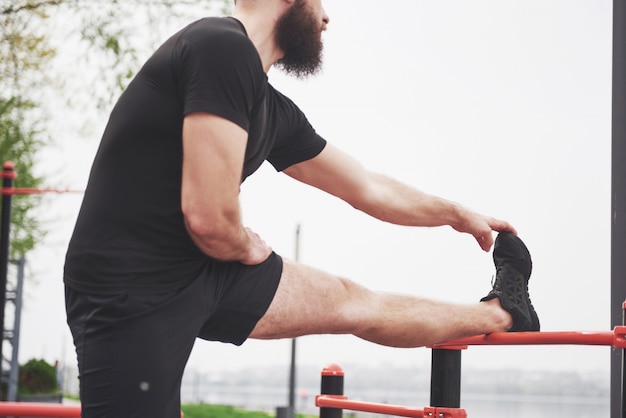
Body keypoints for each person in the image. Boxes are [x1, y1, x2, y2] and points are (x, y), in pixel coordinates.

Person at [63, 0, 539, 417]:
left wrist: (457, 214)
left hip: (204, 268)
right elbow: (209, 219)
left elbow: (369, 187)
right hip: (129, 285)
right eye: (320, 2)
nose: (328, 17)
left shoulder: (272, 107)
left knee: (356, 303)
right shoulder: (219, 47)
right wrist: (244, 243)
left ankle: (504, 312)